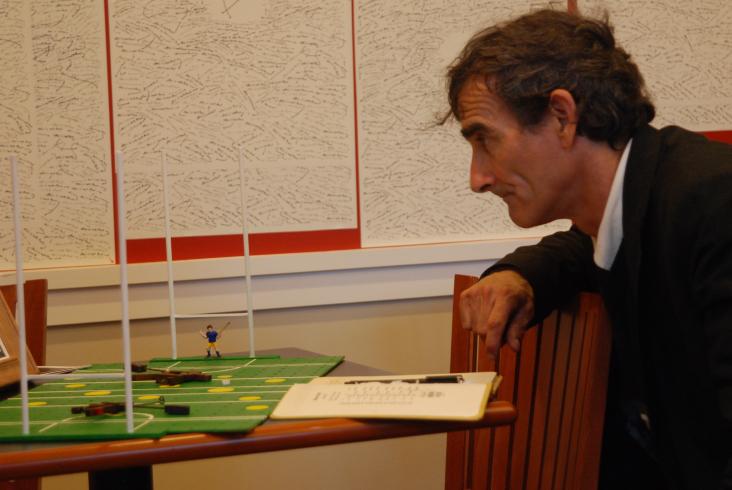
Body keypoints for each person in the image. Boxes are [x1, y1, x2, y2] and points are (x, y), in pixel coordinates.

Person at [443, 8, 732, 490]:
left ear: (562, 116)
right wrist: (521, 275)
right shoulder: (640, 201)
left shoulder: (714, 202)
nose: (478, 179)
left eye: (485, 140)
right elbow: (580, 251)